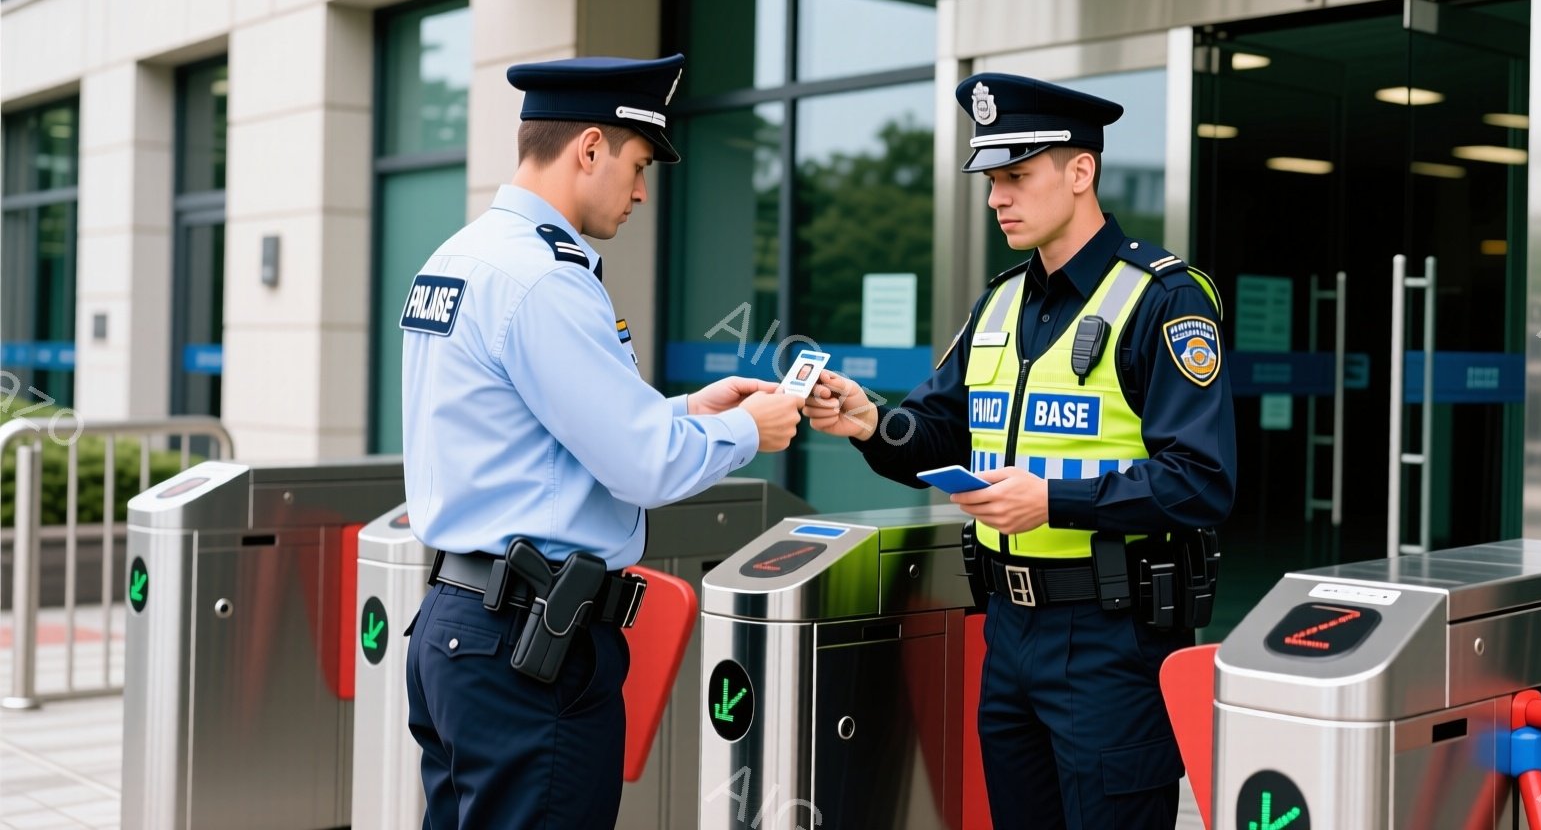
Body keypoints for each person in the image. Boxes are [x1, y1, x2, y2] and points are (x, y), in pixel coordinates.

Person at [806, 72, 1236, 829]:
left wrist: (1051, 501)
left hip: (1112, 637)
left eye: (1016, 176)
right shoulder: (999, 302)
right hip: (1007, 632)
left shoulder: (1164, 299)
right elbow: (935, 430)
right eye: (991, 180)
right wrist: (869, 423)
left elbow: (1200, 481)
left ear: (1081, 172)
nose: (997, 197)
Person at [400, 53, 805, 830]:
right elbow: (641, 465)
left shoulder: (459, 258)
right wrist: (747, 430)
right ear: (590, 148)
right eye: (638, 163)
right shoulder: (544, 279)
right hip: (529, 647)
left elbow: (542, 438)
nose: (643, 191)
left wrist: (692, 409)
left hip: (462, 629)